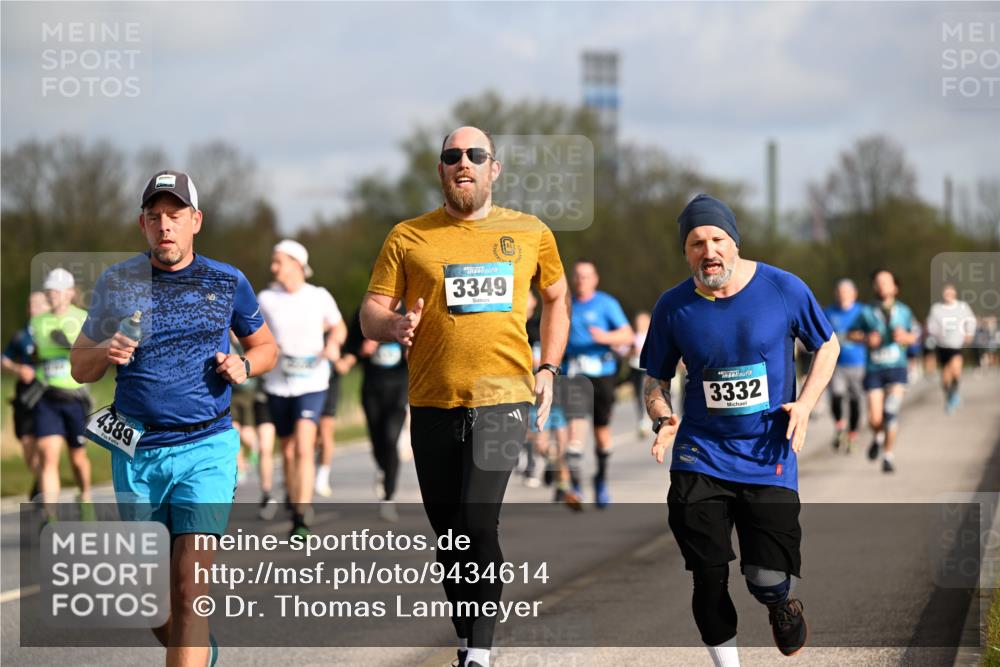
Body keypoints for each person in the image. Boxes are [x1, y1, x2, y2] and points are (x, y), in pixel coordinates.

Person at [360, 126, 570, 667]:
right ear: (441, 170)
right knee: (450, 534)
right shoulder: (409, 235)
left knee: (478, 521)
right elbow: (370, 313)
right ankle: (466, 636)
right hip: (432, 399)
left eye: (476, 155)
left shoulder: (530, 232)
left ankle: (479, 653)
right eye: (453, 156)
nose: (464, 164)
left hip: (502, 397)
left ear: (494, 169)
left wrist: (547, 365)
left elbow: (556, 297)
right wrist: (394, 323)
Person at [71, 170, 277, 666]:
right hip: (137, 450)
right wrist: (105, 348)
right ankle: (200, 655)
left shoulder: (228, 281)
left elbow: (266, 346)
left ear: (195, 222)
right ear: (142, 224)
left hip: (207, 446)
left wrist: (245, 365)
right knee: (154, 600)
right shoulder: (117, 282)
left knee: (189, 589)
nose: (165, 226)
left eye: (175, 216)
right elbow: (79, 366)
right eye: (155, 217)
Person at [641, 194, 838, 665]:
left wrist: (806, 405)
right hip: (700, 455)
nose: (708, 251)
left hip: (768, 453)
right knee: (707, 575)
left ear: (733, 241)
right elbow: (655, 377)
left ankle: (781, 603)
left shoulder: (783, 288)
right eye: (696, 243)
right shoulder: (673, 306)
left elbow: (826, 346)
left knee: (765, 578)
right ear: (685, 251)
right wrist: (661, 415)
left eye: (717, 239)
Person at [257, 239, 344, 537]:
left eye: (278, 261)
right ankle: (295, 501)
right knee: (289, 450)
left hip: (314, 381)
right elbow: (249, 331)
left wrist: (333, 344)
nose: (273, 267)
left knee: (305, 446)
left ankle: (301, 517)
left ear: (296, 264)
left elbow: (339, 326)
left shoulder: (318, 296)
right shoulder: (266, 298)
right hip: (278, 384)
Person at [562, 260, 633, 508]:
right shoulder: (565, 303)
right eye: (578, 276)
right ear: (573, 279)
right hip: (574, 373)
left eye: (586, 276)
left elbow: (627, 334)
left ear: (595, 279)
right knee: (574, 428)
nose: (581, 280)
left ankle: (600, 480)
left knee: (602, 432)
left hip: (603, 373)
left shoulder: (606, 303)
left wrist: (605, 337)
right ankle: (575, 486)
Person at [31, 269, 95, 520]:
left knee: (78, 459)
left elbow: (92, 354)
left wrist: (68, 345)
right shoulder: (38, 321)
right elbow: (35, 353)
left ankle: (86, 496)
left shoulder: (83, 318)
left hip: (75, 397)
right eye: (49, 292)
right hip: (47, 396)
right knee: (48, 455)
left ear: (69, 293)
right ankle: (51, 517)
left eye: (56, 291)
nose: (52, 296)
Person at [336, 308, 408, 521]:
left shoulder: (408, 311)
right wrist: (361, 350)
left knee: (390, 439)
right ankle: (383, 468)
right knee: (377, 443)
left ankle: (389, 496)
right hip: (372, 388)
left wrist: (409, 351)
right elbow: (351, 349)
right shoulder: (364, 313)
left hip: (398, 388)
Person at [848, 269, 919, 473]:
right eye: (878, 283)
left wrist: (906, 337)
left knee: (891, 412)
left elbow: (916, 335)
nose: (882, 286)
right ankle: (878, 436)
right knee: (874, 419)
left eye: (886, 282)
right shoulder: (866, 312)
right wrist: (865, 339)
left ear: (895, 287)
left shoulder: (904, 311)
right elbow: (851, 334)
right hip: (875, 369)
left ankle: (888, 455)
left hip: (897, 367)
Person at [1, 291, 50, 501]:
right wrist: (18, 369)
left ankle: (46, 491)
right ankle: (41, 480)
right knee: (28, 446)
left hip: (49, 396)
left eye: (39, 305)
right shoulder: (21, 336)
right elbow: (4, 359)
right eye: (31, 305)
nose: (35, 309)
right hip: (26, 398)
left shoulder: (56, 333)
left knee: (47, 446)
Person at [823, 279, 866, 452]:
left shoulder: (863, 312)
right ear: (836, 294)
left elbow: (872, 333)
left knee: (855, 401)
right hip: (836, 364)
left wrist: (859, 336)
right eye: (840, 292)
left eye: (847, 292)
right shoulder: (829, 312)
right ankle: (840, 426)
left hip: (858, 363)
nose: (843, 296)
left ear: (854, 294)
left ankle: (852, 435)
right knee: (836, 396)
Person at [926, 284, 976, 413]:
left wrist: (969, 333)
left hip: (956, 343)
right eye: (945, 292)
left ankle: (954, 394)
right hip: (942, 344)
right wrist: (936, 332)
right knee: (945, 374)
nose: (948, 295)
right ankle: (949, 395)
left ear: (955, 294)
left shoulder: (962, 307)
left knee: (956, 368)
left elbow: (971, 320)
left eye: (950, 292)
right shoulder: (936, 308)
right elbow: (931, 325)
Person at [316, 315, 348, 498]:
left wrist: (335, 358)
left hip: (330, 387)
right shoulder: (303, 332)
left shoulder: (335, 335)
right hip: (308, 388)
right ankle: (306, 468)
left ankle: (323, 476)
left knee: (326, 432)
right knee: (311, 436)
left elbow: (343, 367)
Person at [629, 311, 651, 436]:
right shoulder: (633, 336)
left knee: (648, 393)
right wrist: (632, 351)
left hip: (648, 368)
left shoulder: (652, 336)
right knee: (638, 394)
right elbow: (623, 352)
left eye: (643, 321)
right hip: (635, 368)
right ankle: (642, 419)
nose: (640, 323)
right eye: (639, 321)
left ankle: (654, 417)